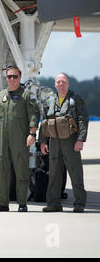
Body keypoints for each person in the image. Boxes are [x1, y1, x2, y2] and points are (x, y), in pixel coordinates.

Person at [0, 65, 40, 212]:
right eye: (9, 77)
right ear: (6, 78)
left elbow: (34, 116)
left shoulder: (26, 95)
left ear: (20, 77)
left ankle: (22, 203)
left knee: (21, 170)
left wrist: (32, 134)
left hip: (20, 138)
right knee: (2, 169)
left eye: (14, 77)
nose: (12, 79)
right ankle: (2, 203)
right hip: (3, 138)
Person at [40, 73, 89, 212]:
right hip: (54, 141)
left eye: (63, 82)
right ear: (54, 84)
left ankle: (79, 203)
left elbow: (83, 120)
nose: (61, 84)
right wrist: (42, 142)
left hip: (71, 140)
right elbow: (43, 122)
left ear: (68, 84)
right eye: (58, 82)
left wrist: (80, 139)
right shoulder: (49, 101)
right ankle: (53, 203)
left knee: (75, 172)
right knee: (54, 173)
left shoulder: (76, 100)